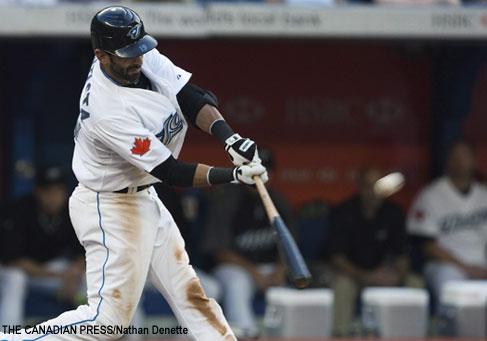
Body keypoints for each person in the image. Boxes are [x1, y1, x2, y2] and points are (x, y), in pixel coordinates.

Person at [0, 5, 267, 341]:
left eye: (140, 48)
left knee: (188, 291)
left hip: (143, 195)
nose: (137, 58)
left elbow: (192, 97)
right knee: (106, 323)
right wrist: (232, 175)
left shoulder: (140, 55)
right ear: (102, 55)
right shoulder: (106, 109)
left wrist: (229, 139)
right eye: (127, 54)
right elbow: (170, 171)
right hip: (109, 206)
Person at [203, 149, 291, 338]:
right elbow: (220, 252)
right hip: (234, 269)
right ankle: (245, 334)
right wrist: (255, 273)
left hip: (269, 269)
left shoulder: (279, 202)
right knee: (237, 284)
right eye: (254, 171)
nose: (259, 176)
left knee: (285, 295)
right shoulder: (227, 201)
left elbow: (290, 247)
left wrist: (281, 270)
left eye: (265, 171)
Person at [328, 166, 413, 337]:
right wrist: (366, 276)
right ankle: (340, 335)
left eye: (377, 186)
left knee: (415, 284)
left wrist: (397, 275)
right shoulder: (344, 212)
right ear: (359, 187)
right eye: (368, 186)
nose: (373, 192)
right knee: (342, 286)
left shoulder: (394, 212)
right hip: (354, 276)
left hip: (384, 275)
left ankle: (410, 335)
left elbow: (402, 255)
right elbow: (337, 259)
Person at [0, 167, 85, 326]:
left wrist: (74, 272)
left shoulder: (71, 211)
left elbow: (83, 252)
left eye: (58, 191)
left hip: (50, 270)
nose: (53, 197)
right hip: (18, 270)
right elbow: (13, 260)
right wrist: (58, 276)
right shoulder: (19, 210)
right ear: (37, 192)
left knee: (89, 278)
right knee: (15, 279)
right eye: (48, 191)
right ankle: (8, 335)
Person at [407, 140, 487, 306]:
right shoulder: (430, 195)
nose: (460, 162)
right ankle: (451, 329)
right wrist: (467, 268)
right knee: (449, 281)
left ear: (474, 160)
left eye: (465, 156)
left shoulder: (483, 195)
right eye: (455, 157)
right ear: (447, 160)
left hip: (481, 263)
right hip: (447, 265)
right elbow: (426, 245)